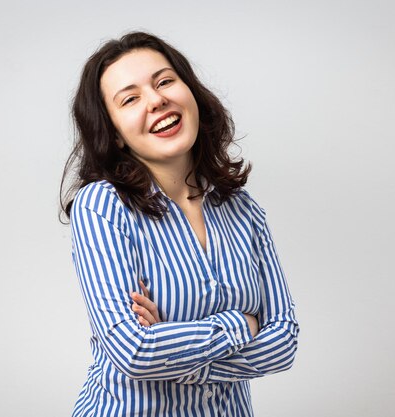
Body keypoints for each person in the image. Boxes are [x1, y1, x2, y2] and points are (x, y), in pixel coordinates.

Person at [60, 31, 299, 417]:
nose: (156, 100)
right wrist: (241, 324)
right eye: (131, 99)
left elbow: (284, 342)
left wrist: (175, 355)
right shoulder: (103, 207)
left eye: (165, 81)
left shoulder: (242, 208)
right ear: (116, 134)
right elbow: (133, 351)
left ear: (191, 93)